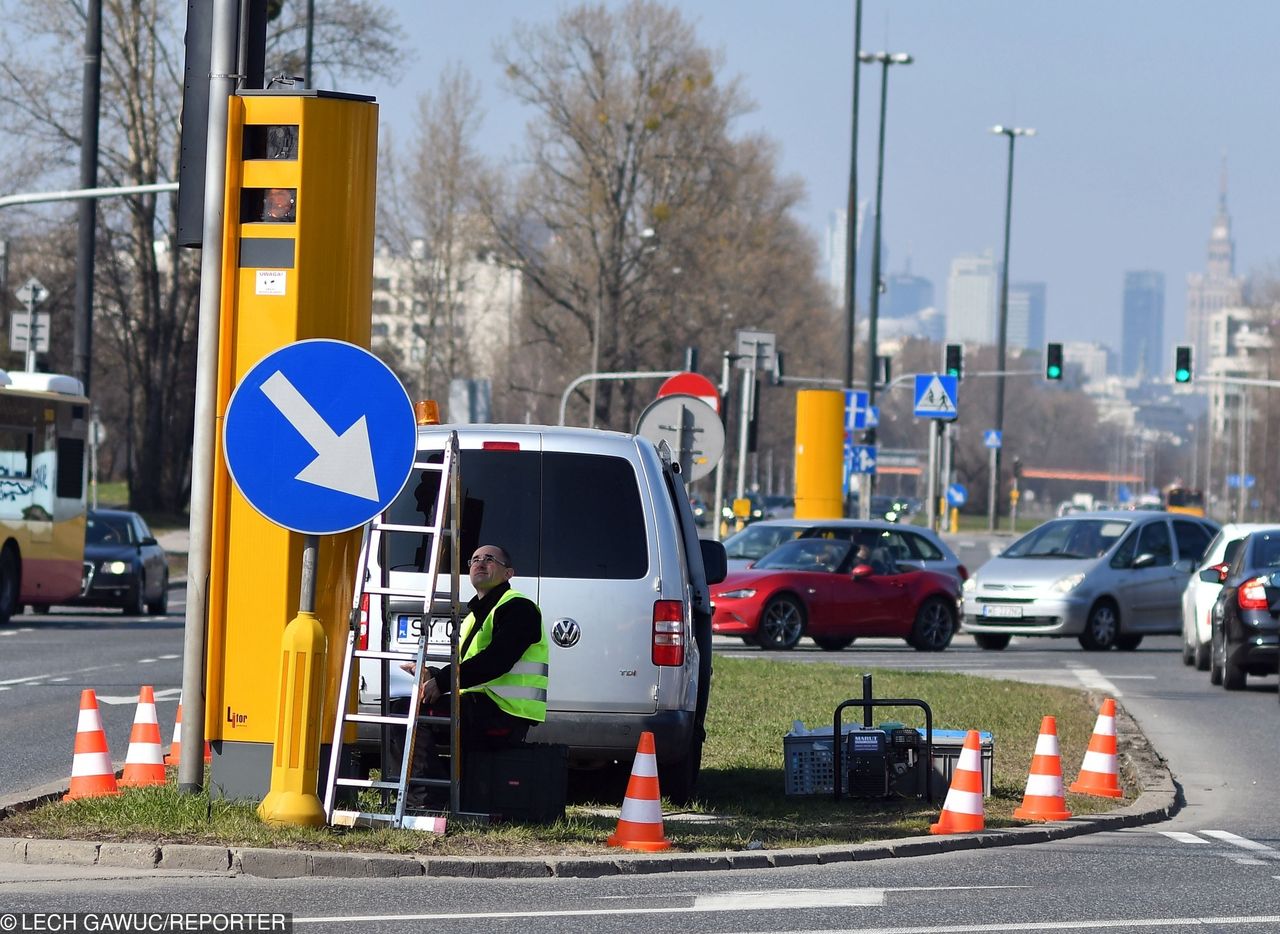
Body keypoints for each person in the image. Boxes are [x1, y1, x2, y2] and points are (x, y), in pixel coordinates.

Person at [394, 543, 548, 811]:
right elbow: (469, 666)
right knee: (401, 707)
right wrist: (434, 675)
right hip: (480, 707)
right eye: (474, 558)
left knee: (403, 713)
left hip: (503, 712)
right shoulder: (475, 616)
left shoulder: (519, 608)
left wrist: (441, 683)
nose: (480, 562)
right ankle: (437, 795)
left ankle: (427, 801)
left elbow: (496, 661)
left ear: (508, 573)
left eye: (490, 559)